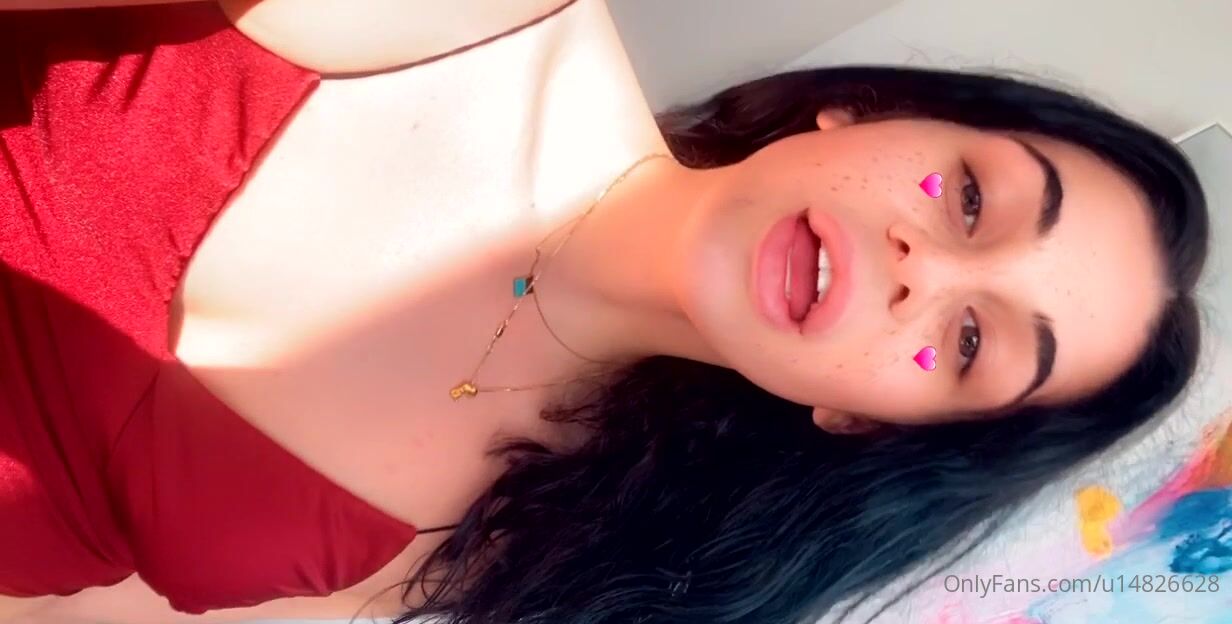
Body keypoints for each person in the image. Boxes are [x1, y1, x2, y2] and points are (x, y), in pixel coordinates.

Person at [0, 1, 1209, 623]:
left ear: (864, 421)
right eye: (970, 199)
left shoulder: (524, 542)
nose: (919, 274)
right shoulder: (467, 21)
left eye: (967, 343)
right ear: (864, 111)